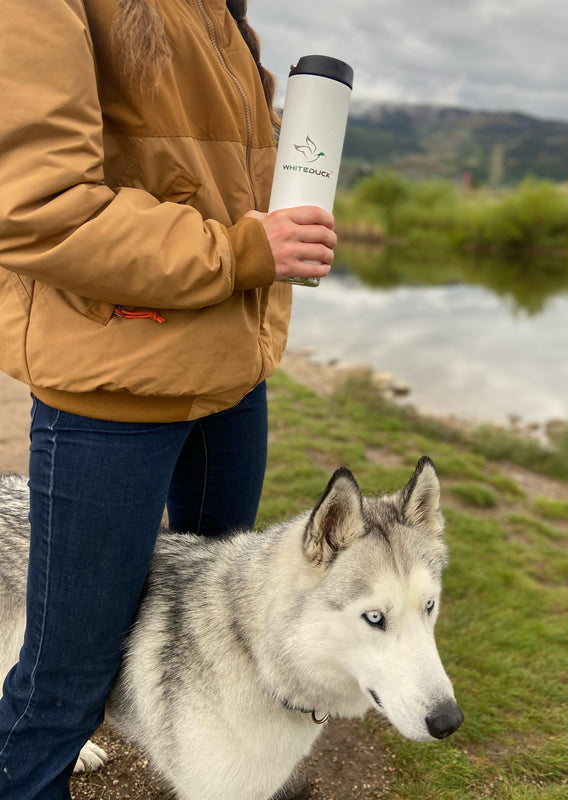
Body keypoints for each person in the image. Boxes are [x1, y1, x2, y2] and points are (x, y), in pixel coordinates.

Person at [0, 1, 334, 797]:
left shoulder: (218, 8)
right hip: (116, 386)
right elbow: (36, 208)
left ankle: (229, 772)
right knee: (67, 676)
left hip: (228, 373)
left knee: (224, 622)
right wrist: (247, 249)